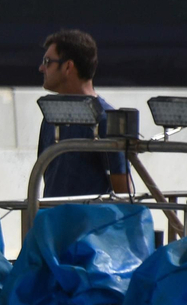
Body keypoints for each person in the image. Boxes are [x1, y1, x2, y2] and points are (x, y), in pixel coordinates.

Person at [37, 29, 130, 198]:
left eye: (47, 61)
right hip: (53, 214)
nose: (41, 68)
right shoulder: (51, 117)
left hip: (90, 215)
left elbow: (123, 191)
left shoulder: (105, 119)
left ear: (68, 66)